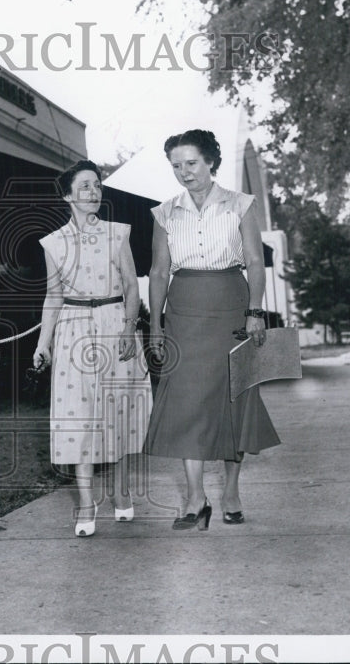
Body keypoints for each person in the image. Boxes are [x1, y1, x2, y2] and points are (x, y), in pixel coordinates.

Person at [145, 130, 280, 530]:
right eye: (175, 166)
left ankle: (232, 492)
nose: (183, 172)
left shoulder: (241, 205)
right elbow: (158, 272)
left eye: (191, 163)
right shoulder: (164, 213)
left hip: (232, 305)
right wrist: (156, 324)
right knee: (187, 403)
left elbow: (256, 263)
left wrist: (256, 312)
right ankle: (194, 497)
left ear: (210, 163)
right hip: (184, 309)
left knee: (234, 399)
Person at [33, 160, 152, 537]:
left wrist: (130, 328)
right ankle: (86, 502)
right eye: (84, 186)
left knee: (117, 411)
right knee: (79, 416)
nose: (93, 192)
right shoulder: (53, 243)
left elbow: (132, 287)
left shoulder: (117, 234)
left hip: (116, 323)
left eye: (97, 185)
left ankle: (120, 491)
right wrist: (43, 344)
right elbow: (53, 296)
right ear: (68, 195)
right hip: (72, 330)